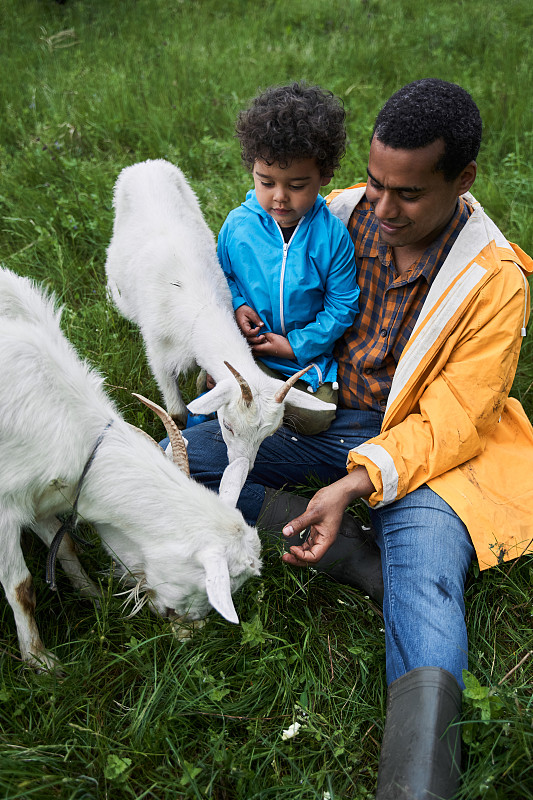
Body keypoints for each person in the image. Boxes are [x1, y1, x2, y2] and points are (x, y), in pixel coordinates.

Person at [184, 79, 533, 799]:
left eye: (407, 194)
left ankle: (416, 787)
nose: (380, 207)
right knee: (182, 453)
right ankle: (353, 558)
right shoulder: (339, 212)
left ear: (461, 180)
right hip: (331, 415)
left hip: (432, 452)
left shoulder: (494, 279)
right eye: (374, 183)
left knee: (428, 585)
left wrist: (354, 482)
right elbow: (254, 263)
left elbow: (452, 422)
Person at [216, 82, 360, 434]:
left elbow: (342, 305)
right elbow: (221, 276)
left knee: (318, 417)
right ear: (252, 168)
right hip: (248, 350)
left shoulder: (332, 236)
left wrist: (295, 345)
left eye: (296, 186)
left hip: (306, 362)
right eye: (266, 182)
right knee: (221, 391)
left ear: (324, 176)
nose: (279, 198)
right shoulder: (238, 226)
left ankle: (260, 416)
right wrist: (236, 304)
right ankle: (245, 402)